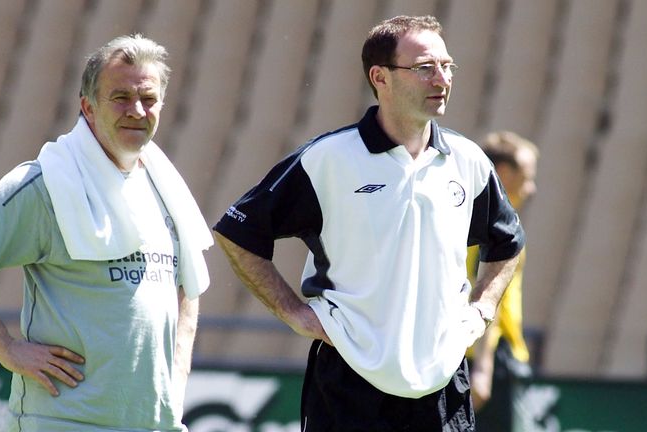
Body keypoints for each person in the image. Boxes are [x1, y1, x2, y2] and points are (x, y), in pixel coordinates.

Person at [212, 15, 524, 431]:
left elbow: (509, 244)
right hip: (348, 383)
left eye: (447, 67)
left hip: (444, 385)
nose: (441, 79)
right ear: (380, 77)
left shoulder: (469, 162)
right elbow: (238, 233)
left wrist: (482, 309)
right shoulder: (329, 158)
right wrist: (292, 312)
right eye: (424, 68)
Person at [0, 34, 213, 431]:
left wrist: (176, 381)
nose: (137, 110)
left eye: (148, 98)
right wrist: (7, 350)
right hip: (63, 420)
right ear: (88, 108)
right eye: (121, 97)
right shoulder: (48, 182)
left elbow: (187, 285)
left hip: (154, 424)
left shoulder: (167, 189)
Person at [466, 131, 539, 426]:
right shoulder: (487, 225)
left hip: (489, 355)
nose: (532, 187)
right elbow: (484, 293)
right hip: (489, 357)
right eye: (527, 175)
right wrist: (483, 369)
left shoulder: (495, 221)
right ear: (503, 172)